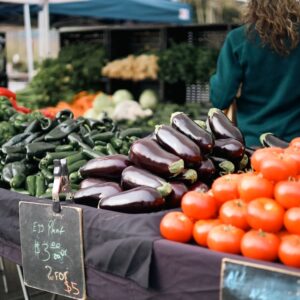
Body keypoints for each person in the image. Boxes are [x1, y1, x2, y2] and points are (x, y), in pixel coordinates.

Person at [209, 0, 300, 147]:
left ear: (253, 5)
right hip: (296, 142)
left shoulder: (238, 39)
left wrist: (216, 78)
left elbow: (220, 99)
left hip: (254, 143)